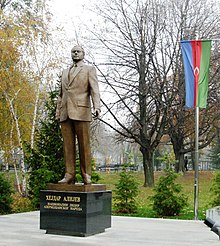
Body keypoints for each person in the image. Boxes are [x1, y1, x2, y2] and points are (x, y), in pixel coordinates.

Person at [56, 45, 100, 185]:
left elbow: (95, 90)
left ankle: (86, 174)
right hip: (65, 113)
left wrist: (97, 106)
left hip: (81, 111)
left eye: (78, 51)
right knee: (68, 146)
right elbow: (61, 94)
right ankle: (69, 174)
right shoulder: (64, 72)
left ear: (83, 54)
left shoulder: (89, 70)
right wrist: (58, 111)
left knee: (84, 145)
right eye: (73, 51)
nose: (75, 53)